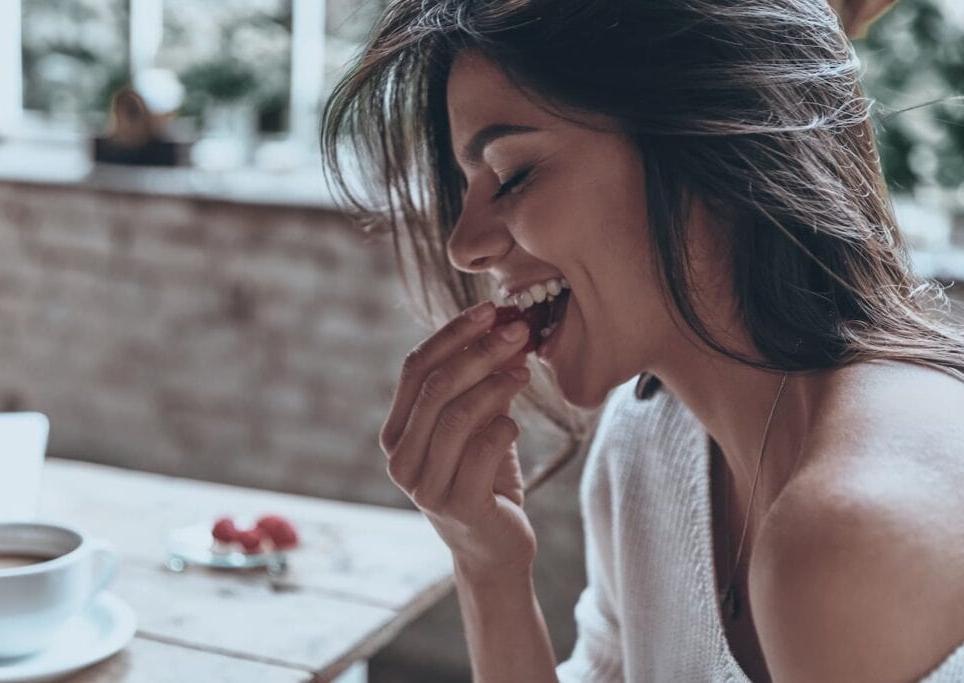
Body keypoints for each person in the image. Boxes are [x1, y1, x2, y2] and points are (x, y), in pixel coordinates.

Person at [322, 0, 964, 680]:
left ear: (709, 149)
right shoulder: (647, 436)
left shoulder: (849, 535)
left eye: (511, 174)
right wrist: (488, 569)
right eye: (466, 186)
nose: (465, 246)